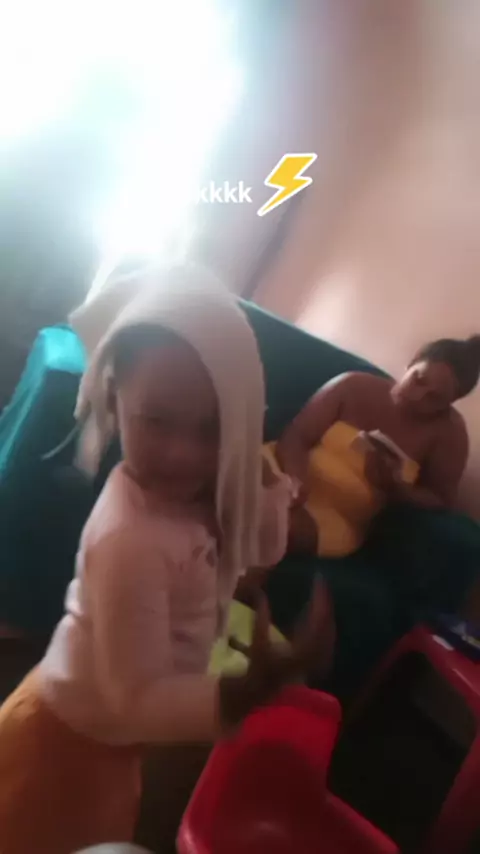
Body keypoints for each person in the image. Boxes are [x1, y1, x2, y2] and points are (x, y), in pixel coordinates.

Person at [0, 266, 331, 854]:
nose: (184, 453)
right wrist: (240, 693)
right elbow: (134, 699)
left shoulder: (188, 495)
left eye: (212, 429)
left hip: (107, 745)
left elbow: (258, 546)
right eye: (157, 421)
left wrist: (256, 476)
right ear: (113, 397)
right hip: (63, 748)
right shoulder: (128, 540)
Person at [274, 335, 480, 557]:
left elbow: (441, 499)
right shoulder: (353, 385)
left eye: (434, 398)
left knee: (274, 527)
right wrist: (295, 480)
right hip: (286, 473)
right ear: (413, 361)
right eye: (419, 380)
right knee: (252, 498)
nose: (417, 397)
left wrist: (398, 489)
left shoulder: (449, 435)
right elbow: (297, 435)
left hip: (335, 516)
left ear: (449, 403)